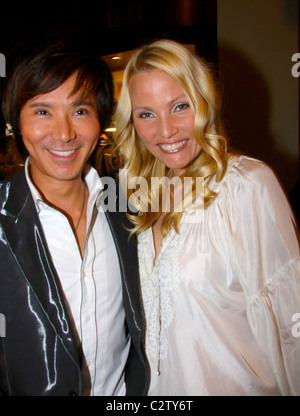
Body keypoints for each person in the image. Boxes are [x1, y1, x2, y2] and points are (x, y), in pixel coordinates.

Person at [114, 39, 300, 396]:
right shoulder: (141, 194)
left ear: (203, 103)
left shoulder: (248, 186)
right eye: (146, 114)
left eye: (179, 106)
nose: (165, 130)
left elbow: (289, 327)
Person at [0, 36, 149, 396]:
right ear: (17, 122)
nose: (64, 133)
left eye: (80, 110)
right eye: (42, 111)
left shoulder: (128, 206)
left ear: (99, 121)